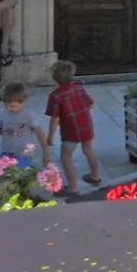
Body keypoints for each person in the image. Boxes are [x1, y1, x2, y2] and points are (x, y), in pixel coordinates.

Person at [45, 61, 100, 194]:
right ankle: (95, 176)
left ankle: (73, 187)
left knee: (66, 158)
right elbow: (90, 104)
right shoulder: (80, 89)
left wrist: (50, 136)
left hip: (70, 132)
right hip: (86, 127)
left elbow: (55, 119)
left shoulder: (55, 97)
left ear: (54, 79)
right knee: (88, 150)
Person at [0, 82, 49, 169]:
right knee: (0, 173)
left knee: (19, 175)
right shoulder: (3, 113)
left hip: (24, 153)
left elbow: (39, 133)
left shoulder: (29, 116)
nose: (8, 108)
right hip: (6, 152)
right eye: (5, 105)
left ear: (23, 101)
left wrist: (45, 151)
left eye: (12, 106)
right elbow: (1, 131)